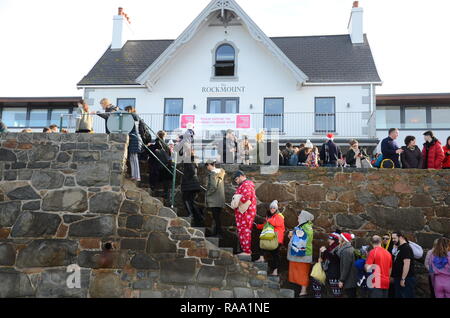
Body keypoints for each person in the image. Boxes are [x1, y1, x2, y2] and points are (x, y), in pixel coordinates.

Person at [287, 210, 314, 297]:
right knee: (297, 271)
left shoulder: (307, 228)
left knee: (303, 272)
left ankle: (303, 290)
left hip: (303, 254)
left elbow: (304, 237)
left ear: (304, 218)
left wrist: (293, 233)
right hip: (298, 254)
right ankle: (299, 289)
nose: (298, 218)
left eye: (300, 216)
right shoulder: (302, 226)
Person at [255, 200, 285, 276]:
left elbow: (277, 223)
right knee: (262, 245)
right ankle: (261, 258)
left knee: (275, 255)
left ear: (276, 209)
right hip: (270, 236)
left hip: (276, 238)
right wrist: (258, 226)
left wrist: (268, 219)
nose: (272, 209)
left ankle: (275, 271)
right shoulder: (270, 217)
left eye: (274, 208)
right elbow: (266, 224)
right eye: (271, 208)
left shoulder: (279, 216)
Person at [232, 170, 257, 256]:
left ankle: (246, 251)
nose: (236, 181)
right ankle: (245, 250)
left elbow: (246, 196)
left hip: (246, 212)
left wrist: (237, 204)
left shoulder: (246, 184)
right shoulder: (244, 184)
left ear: (242, 176)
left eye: (236, 179)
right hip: (243, 212)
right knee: (243, 231)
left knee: (245, 231)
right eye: (235, 180)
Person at [314, 232, 342, 298]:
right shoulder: (329, 247)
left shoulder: (338, 248)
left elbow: (335, 260)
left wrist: (325, 251)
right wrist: (321, 259)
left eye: (330, 239)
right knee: (316, 281)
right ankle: (318, 296)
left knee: (336, 292)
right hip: (327, 271)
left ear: (334, 240)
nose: (328, 240)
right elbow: (327, 258)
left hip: (335, 273)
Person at [181, 152, 204, 227]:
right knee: (191, 201)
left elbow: (191, 171)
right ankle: (199, 216)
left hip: (189, 185)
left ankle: (191, 214)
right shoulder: (194, 162)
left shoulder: (188, 162)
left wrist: (186, 177)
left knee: (185, 199)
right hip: (194, 184)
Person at [391, 231, 416, 298]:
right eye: (392, 239)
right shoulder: (399, 247)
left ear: (401, 237)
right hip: (399, 278)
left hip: (406, 279)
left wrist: (403, 279)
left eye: (394, 238)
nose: (393, 240)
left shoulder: (406, 248)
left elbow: (406, 264)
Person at [204, 160, 226, 237]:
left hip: (214, 199)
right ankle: (216, 233)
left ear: (210, 165)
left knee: (216, 217)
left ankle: (219, 233)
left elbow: (213, 186)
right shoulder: (220, 172)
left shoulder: (213, 174)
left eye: (207, 166)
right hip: (220, 199)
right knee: (217, 217)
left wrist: (207, 194)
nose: (207, 168)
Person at [336, 233, 358, 298]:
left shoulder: (346, 251)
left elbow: (346, 267)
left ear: (344, 239)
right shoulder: (345, 249)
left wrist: (341, 280)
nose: (339, 238)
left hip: (350, 281)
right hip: (349, 280)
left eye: (340, 237)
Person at [124, 106, 142, 182]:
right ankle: (134, 175)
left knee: (134, 158)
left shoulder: (132, 116)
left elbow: (130, 128)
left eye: (126, 110)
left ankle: (137, 176)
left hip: (134, 138)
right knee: (132, 158)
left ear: (129, 110)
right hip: (135, 138)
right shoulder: (135, 116)